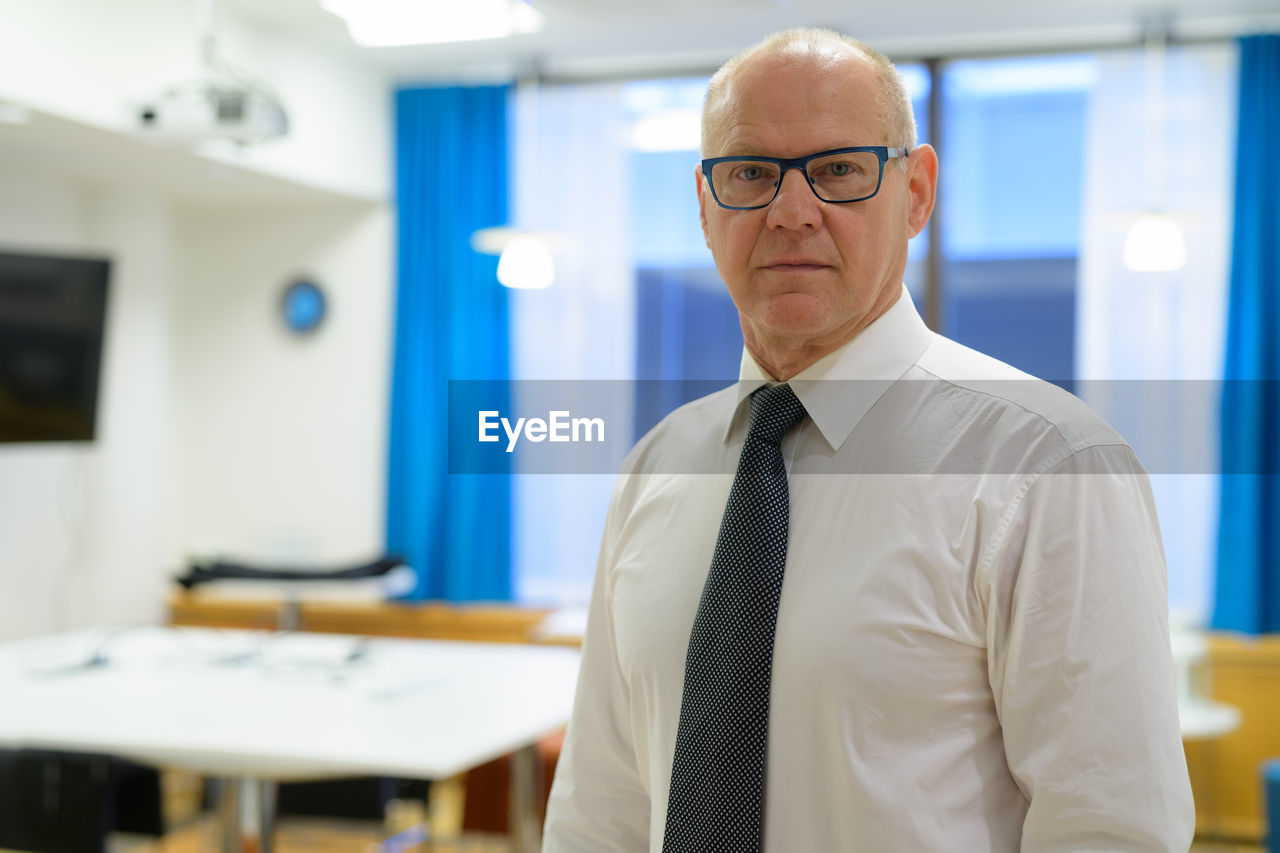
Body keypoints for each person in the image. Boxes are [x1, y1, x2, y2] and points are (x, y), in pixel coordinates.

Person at [542, 27, 1194, 853]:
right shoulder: (655, 467)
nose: (790, 212)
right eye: (750, 173)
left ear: (916, 192)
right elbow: (602, 808)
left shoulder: (1048, 465)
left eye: (838, 169)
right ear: (707, 209)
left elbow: (1111, 829)